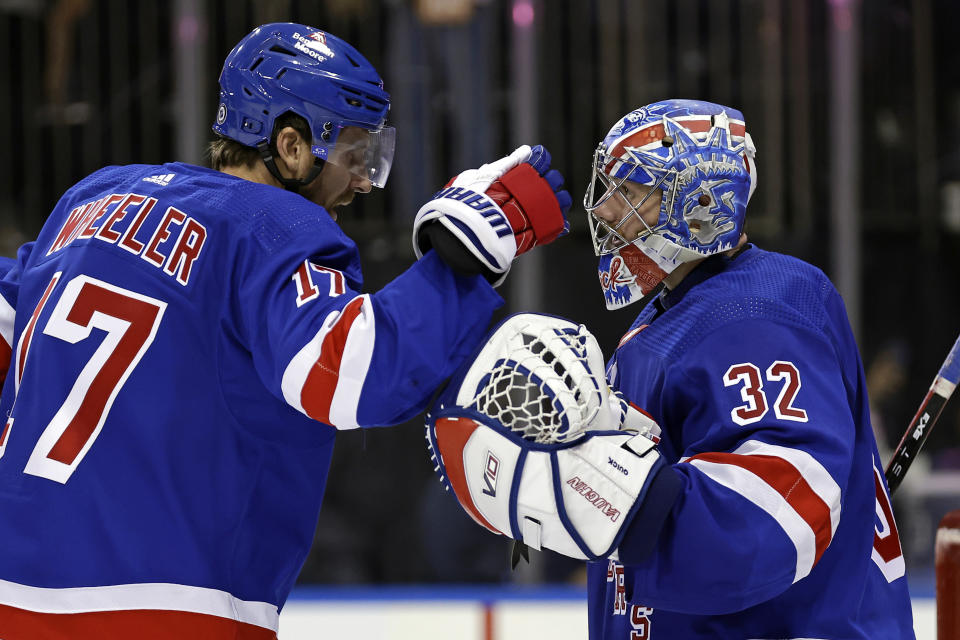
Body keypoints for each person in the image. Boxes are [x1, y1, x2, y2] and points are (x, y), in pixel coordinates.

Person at [0, 23, 570, 639]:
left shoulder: (92, 197)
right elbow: (352, 374)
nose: (362, 180)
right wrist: (466, 252)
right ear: (291, 144)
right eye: (355, 154)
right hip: (166, 605)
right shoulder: (275, 227)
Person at [429, 99, 915, 638]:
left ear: (702, 201)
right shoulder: (673, 311)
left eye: (631, 193)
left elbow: (786, 507)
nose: (607, 211)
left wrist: (615, 495)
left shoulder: (760, 312)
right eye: (610, 192)